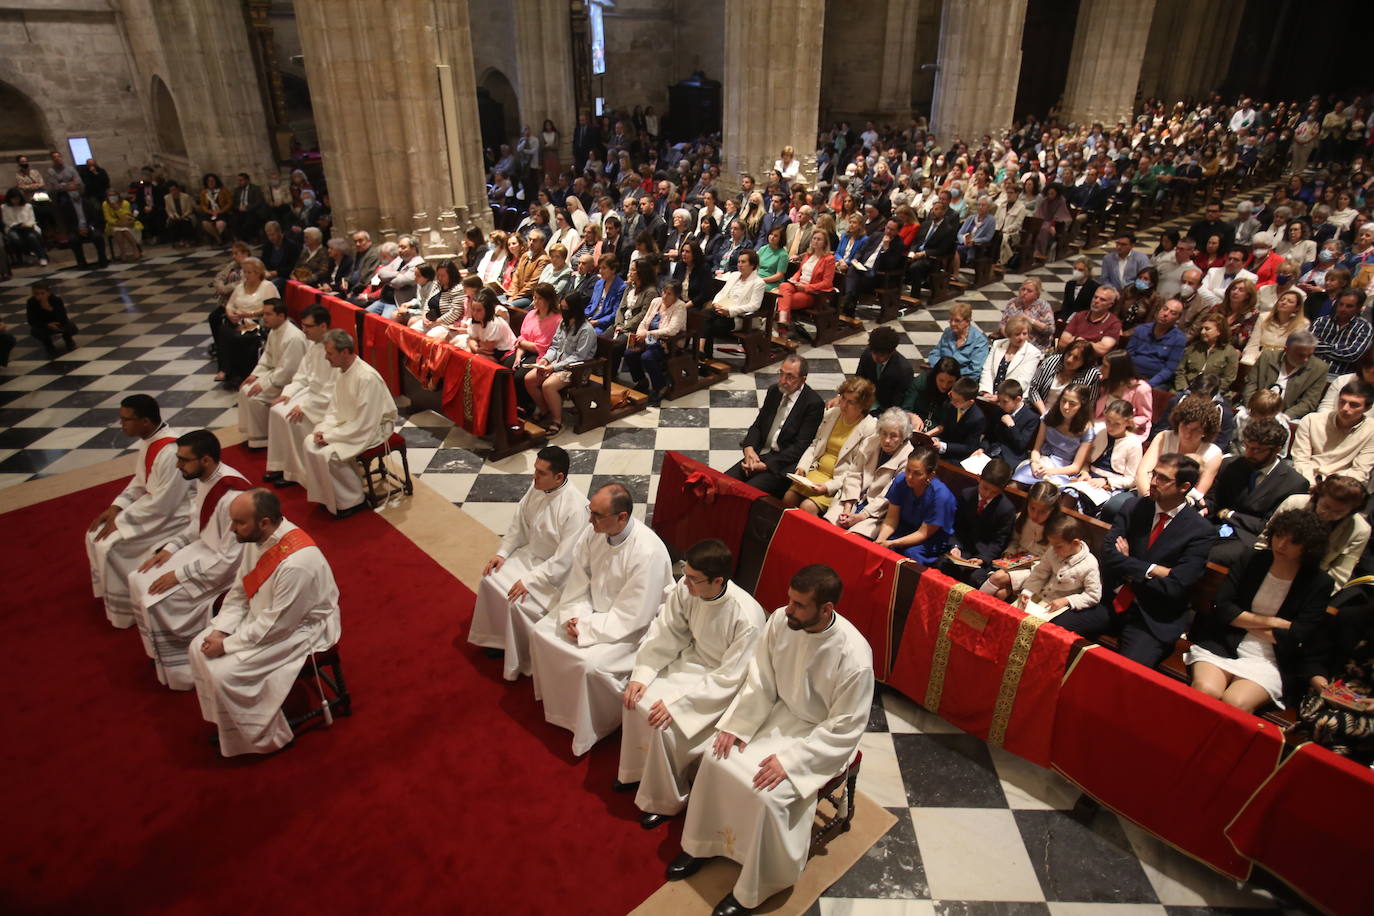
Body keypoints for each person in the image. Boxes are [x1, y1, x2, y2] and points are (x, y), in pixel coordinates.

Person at [668, 564, 874, 916]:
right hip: (778, 715)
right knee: (717, 758)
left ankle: (756, 886)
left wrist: (792, 762)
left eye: (799, 605)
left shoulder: (854, 657)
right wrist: (739, 724)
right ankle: (702, 844)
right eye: (789, 600)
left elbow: (845, 726)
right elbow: (761, 678)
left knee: (770, 794)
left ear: (827, 609)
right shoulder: (781, 620)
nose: (787, 610)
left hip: (820, 740)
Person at [619, 538, 766, 828]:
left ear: (718, 580)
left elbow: (731, 676)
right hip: (689, 662)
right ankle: (636, 772)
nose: (684, 584)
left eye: (694, 580)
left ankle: (665, 800)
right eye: (685, 574)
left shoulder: (747, 616)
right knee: (635, 698)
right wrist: (644, 674)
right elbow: (667, 632)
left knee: (663, 724)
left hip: (717, 691)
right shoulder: (687, 589)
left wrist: (679, 706)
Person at [188, 489, 341, 757]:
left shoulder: (296, 564)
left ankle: (262, 737)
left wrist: (226, 645)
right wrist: (221, 629)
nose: (232, 528)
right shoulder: (258, 540)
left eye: (239, 522)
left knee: (225, 674)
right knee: (197, 646)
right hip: (266, 618)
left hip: (301, 629)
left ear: (264, 522)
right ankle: (229, 725)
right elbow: (240, 588)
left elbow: (278, 626)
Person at [526, 482, 674, 756]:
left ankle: (590, 726)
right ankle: (558, 704)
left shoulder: (647, 552)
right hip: (591, 610)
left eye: (596, 515)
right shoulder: (594, 531)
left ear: (621, 517)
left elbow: (633, 614)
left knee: (590, 666)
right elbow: (579, 577)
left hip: (632, 629)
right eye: (590, 512)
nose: (589, 519)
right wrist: (576, 615)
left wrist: (586, 628)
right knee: (540, 633)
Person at [1057, 453, 1216, 669]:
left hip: (1151, 616)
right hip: (1110, 601)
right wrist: (1154, 570)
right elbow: (1109, 555)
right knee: (1053, 629)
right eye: (1154, 474)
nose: (1152, 482)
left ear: (1184, 486)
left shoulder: (1200, 531)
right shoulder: (1134, 507)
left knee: (1125, 673)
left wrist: (1129, 562)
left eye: (1162, 478)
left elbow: (1178, 584)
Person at [127, 430, 250, 691]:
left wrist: (179, 575)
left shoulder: (232, 495)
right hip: (205, 549)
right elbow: (196, 525)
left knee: (157, 599)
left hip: (225, 567)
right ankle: (161, 655)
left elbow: (230, 560)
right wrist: (171, 548)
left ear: (205, 460)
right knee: (138, 577)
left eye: (184, 460)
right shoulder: (205, 479)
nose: (177, 465)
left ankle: (183, 667)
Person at [1186, 510, 1333, 713]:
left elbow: (1297, 635)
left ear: (1308, 548)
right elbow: (1223, 609)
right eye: (1279, 536)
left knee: (1235, 703)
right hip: (1224, 642)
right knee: (1206, 690)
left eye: (1292, 542)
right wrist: (1275, 622)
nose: (1280, 545)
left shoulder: (1319, 582)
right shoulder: (1251, 559)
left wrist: (1241, 620)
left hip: (1270, 659)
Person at [467, 446, 589, 681]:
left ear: (559, 477)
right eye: (535, 469)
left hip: (554, 576)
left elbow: (564, 561)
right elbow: (518, 526)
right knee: (490, 577)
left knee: (517, 601)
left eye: (541, 472)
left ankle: (520, 656)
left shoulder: (575, 508)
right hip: (529, 556)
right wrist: (502, 553)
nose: (534, 476)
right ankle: (495, 638)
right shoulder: (536, 489)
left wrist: (530, 580)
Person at [84, 396, 193, 630]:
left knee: (111, 545)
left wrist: (124, 523)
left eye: (126, 420)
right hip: (154, 508)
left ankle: (126, 607)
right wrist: (118, 506)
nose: (122, 424)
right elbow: (141, 480)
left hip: (177, 516)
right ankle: (113, 591)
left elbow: (166, 503)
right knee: (94, 533)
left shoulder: (171, 450)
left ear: (145, 421)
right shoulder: (150, 440)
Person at [300, 330, 398, 519]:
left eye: (330, 353)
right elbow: (334, 409)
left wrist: (330, 437)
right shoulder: (342, 372)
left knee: (330, 454)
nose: (326, 357)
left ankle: (353, 499)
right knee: (309, 442)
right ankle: (330, 496)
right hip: (350, 425)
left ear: (345, 352)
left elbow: (365, 422)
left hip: (374, 428)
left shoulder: (366, 377)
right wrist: (323, 430)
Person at [1206, 418, 1311, 567]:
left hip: (1248, 538)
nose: (1248, 453)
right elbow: (1214, 501)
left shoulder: (1294, 484)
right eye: (1247, 446)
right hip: (1214, 526)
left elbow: (1270, 526)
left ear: (1277, 449)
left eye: (1257, 450)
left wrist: (1229, 514)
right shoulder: (1231, 465)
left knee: (1213, 555)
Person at [724, 355, 825, 498]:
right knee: (723, 482)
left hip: (781, 464)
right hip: (759, 455)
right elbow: (758, 425)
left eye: (790, 377)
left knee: (746, 493)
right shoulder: (774, 391)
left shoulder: (813, 404)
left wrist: (767, 465)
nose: (783, 381)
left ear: (803, 379)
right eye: (781, 374)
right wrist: (749, 448)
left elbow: (800, 447)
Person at [264, 305, 335, 488]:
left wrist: (305, 407)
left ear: (323, 326)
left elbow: (332, 390)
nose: (304, 330)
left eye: (309, 326)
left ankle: (299, 472)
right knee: (277, 409)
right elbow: (302, 375)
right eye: (303, 325)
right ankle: (282, 465)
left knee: (290, 418)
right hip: (310, 392)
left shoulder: (334, 348)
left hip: (325, 403)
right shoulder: (312, 345)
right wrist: (287, 393)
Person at [785, 377, 877, 514]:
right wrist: (802, 468)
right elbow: (815, 445)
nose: (843, 405)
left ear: (863, 405)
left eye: (850, 402)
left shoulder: (870, 428)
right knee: (789, 498)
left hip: (839, 481)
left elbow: (858, 470)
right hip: (816, 472)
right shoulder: (833, 414)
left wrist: (828, 487)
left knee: (807, 506)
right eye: (843, 398)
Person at [824, 408, 913, 539]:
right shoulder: (871, 442)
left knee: (853, 539)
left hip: (877, 512)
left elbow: (888, 496)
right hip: (851, 498)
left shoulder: (908, 456)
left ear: (903, 437)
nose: (887, 440)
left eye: (893, 436)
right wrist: (847, 508)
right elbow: (854, 474)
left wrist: (861, 516)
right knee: (829, 527)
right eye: (884, 434)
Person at [521, 294, 599, 436]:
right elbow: (555, 346)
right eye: (562, 308)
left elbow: (578, 357)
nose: (563, 311)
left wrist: (554, 367)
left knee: (548, 386)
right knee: (529, 379)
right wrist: (545, 360)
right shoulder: (564, 323)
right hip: (557, 363)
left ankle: (557, 420)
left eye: (566, 308)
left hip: (576, 370)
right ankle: (545, 410)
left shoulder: (586, 330)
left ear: (574, 309)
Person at [236, 300, 308, 449]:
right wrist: (255, 375)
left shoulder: (293, 337)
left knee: (254, 396)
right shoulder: (275, 331)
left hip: (287, 382)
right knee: (245, 389)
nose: (264, 318)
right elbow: (267, 357)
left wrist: (263, 384)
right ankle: (251, 435)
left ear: (281, 316)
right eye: (263, 314)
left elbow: (289, 370)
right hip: (274, 374)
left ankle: (263, 439)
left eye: (268, 314)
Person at [874, 447, 957, 563]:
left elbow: (923, 533)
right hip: (904, 529)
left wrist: (891, 543)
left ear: (930, 475)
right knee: (879, 546)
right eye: (908, 470)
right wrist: (881, 540)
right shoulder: (900, 481)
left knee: (910, 554)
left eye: (917, 474)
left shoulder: (941, 496)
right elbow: (891, 519)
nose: (909, 477)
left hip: (929, 540)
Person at [1136, 394, 1224, 503]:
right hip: (1148, 493)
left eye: (1195, 430)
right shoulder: (1163, 437)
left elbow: (1198, 493)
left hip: (1179, 504)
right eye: (1184, 426)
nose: (1187, 434)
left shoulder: (1213, 454)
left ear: (1205, 431)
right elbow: (1142, 472)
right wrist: (1148, 498)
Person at [981, 482, 1061, 600]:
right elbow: (1015, 541)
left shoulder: (1057, 531)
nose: (1035, 515)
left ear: (1052, 510)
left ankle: (970, 604)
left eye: (1042, 512)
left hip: (1037, 572)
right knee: (1000, 593)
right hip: (1016, 563)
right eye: (1032, 508)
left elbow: (1052, 565)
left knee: (998, 578)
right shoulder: (1022, 519)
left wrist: (1029, 563)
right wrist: (1010, 552)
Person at [944, 459, 1016, 586]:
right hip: (962, 549)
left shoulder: (1006, 509)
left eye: (994, 492)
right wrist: (955, 547)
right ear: (979, 479)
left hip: (983, 558)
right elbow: (956, 526)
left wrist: (982, 558)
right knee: (943, 566)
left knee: (974, 579)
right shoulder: (966, 494)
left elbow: (999, 542)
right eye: (985, 488)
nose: (987, 494)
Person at [1291, 380, 1374, 489]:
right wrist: (1311, 484)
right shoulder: (1312, 420)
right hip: (1305, 479)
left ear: (1367, 408)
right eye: (1342, 402)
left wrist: (1329, 490)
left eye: (1354, 405)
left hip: (1340, 488)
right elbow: (1300, 459)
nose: (1345, 408)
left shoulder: (1371, 430)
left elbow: (1360, 471)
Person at [1015, 515, 1103, 615]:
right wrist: (1028, 591)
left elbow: (1093, 595)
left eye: (1058, 546)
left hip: (1061, 608)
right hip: (1039, 598)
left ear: (1075, 543)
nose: (1054, 549)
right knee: (1014, 613)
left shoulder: (1090, 564)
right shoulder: (1053, 551)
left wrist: (1066, 600)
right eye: (1052, 545)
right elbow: (1040, 572)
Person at [1012, 383, 1094, 487]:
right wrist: (1034, 463)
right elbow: (1036, 449)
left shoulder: (1087, 430)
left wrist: (1050, 471)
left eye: (1072, 404)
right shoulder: (1049, 417)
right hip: (1042, 461)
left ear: (1082, 406)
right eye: (1063, 401)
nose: (1065, 407)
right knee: (1016, 483)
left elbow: (1076, 467)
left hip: (1062, 471)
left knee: (1045, 491)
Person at [216, 257, 278, 388]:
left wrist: (248, 314)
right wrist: (230, 313)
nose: (246, 275)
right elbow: (230, 304)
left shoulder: (267, 287)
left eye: (249, 272)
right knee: (224, 331)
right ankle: (227, 370)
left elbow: (270, 308)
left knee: (241, 337)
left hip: (257, 321)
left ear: (258, 273)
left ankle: (242, 374)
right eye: (245, 272)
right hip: (239, 320)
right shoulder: (240, 287)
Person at [623, 279, 687, 405]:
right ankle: (642, 381)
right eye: (664, 292)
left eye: (669, 294)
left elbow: (672, 330)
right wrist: (640, 334)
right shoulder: (656, 301)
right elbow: (645, 321)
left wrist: (647, 334)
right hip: (649, 339)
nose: (665, 296)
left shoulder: (680, 306)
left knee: (647, 357)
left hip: (667, 343)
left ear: (676, 296)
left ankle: (661, 386)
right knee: (629, 353)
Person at [1241, 330, 1328, 421]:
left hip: (1287, 415)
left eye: (1309, 355)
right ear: (1286, 350)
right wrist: (1253, 408)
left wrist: (1284, 417)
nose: (1306, 360)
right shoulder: (1267, 357)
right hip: (1255, 408)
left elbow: (1309, 401)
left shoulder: (1319, 369)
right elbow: (1251, 385)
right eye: (1301, 355)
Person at [1125, 297, 1187, 388]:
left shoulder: (1179, 338)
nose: (1166, 314)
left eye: (1172, 313)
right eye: (1165, 309)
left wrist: (1148, 384)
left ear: (1178, 318)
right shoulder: (1141, 329)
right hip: (1131, 375)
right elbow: (1128, 356)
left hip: (1154, 381)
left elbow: (1169, 369)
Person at [1026, 340, 1100, 416]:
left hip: (1069, 418)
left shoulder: (1091, 375)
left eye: (1076, 358)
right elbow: (1033, 389)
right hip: (1038, 411)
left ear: (1085, 361)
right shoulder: (1052, 361)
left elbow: (1089, 405)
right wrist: (1044, 414)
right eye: (1069, 354)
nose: (1069, 360)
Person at [1312, 289, 1373, 379]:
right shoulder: (1321, 321)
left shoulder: (1364, 327)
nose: (1343, 309)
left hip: (1338, 376)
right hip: (1312, 370)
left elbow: (1352, 355)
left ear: (1358, 308)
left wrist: (1320, 346)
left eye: (1349, 306)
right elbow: (1308, 345)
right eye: (1340, 304)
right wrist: (1339, 349)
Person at [855, 326, 913, 413]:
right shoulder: (867, 354)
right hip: (864, 401)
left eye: (881, 355)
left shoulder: (904, 370)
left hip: (885, 409)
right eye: (874, 352)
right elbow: (858, 379)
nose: (876, 357)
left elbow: (897, 403)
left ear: (892, 352)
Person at [1243, 289, 1309, 366]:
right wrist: (1251, 359)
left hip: (1284, 361)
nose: (1284, 302)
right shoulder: (1263, 317)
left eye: (1289, 301)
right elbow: (1252, 344)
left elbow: (1296, 350)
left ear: (1297, 308)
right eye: (1282, 300)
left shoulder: (1302, 324)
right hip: (1259, 358)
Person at [926, 301, 989, 381]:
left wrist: (952, 374)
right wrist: (940, 369)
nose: (952, 324)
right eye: (951, 320)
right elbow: (935, 353)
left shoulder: (980, 341)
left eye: (957, 320)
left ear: (967, 321)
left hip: (962, 381)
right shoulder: (948, 332)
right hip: (941, 375)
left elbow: (975, 370)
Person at [980, 315, 1042, 396]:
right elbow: (987, 370)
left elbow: (1023, 381)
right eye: (1017, 334)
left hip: (1012, 398)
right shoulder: (997, 344)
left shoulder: (1033, 353)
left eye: (1024, 334)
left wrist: (1000, 397)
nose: (1021, 337)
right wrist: (986, 391)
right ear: (1009, 334)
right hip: (990, 394)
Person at [1172, 315, 1238, 392]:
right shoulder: (1194, 347)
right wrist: (1183, 387)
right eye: (1202, 329)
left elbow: (1228, 379)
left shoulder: (1230, 352)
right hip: (1187, 387)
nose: (1202, 332)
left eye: (1207, 329)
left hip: (1212, 392)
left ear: (1219, 331)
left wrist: (1209, 392)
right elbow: (1180, 370)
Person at [1094, 350, 1152, 435]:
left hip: (1127, 428)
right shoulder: (1104, 381)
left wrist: (1123, 423)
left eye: (1105, 366)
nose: (1100, 368)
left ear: (1117, 370)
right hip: (1102, 421)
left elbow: (1145, 416)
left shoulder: (1141, 389)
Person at [929, 377, 987, 461]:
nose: (952, 402)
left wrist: (944, 446)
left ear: (970, 402)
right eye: (951, 396)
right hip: (942, 446)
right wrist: (936, 439)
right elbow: (944, 427)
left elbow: (969, 447)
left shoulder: (977, 418)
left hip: (959, 456)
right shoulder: (949, 405)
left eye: (957, 401)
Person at [1060, 286, 1123, 356]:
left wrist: (1078, 340)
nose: (1096, 301)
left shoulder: (1114, 323)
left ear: (1110, 304)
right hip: (1069, 356)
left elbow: (1102, 350)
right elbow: (1062, 343)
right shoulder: (1080, 315)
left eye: (1102, 300)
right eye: (1095, 297)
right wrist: (1092, 344)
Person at [24, 280, 78, 358]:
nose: (40, 296)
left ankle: (68, 339)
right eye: (36, 294)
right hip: (43, 326)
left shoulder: (56, 300)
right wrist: (46, 324)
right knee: (36, 331)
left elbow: (63, 317)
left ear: (48, 293)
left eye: (42, 293)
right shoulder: (31, 302)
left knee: (70, 326)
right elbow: (31, 320)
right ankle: (48, 344)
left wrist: (49, 309)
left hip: (58, 323)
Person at [1000, 278, 1056, 350]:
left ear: (1037, 294)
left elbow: (1050, 330)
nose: (1024, 293)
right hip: (1012, 343)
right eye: (1023, 289)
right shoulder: (1013, 303)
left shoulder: (1043, 306)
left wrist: (1030, 320)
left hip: (1035, 346)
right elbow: (1003, 324)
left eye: (1029, 291)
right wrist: (1009, 338)